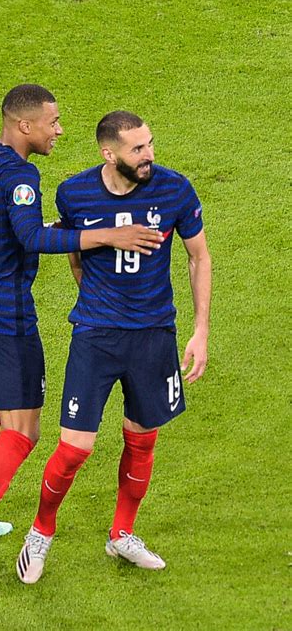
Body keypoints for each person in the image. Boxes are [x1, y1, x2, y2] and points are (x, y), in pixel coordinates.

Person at [0, 89, 164, 596]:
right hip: (0, 314)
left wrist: (59, 226)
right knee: (22, 430)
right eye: (52, 122)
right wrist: (107, 237)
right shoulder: (22, 175)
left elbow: (5, 226)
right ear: (25, 127)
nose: (58, 130)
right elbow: (31, 238)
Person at [17, 110, 211, 584]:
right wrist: (94, 297)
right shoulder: (76, 191)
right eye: (137, 149)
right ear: (109, 153)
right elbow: (73, 250)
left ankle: (122, 533)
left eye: (149, 145)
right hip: (96, 336)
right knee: (75, 447)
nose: (149, 156)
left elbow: (198, 256)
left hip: (153, 336)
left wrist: (200, 329)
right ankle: (41, 531)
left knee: (142, 438)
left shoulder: (175, 189)